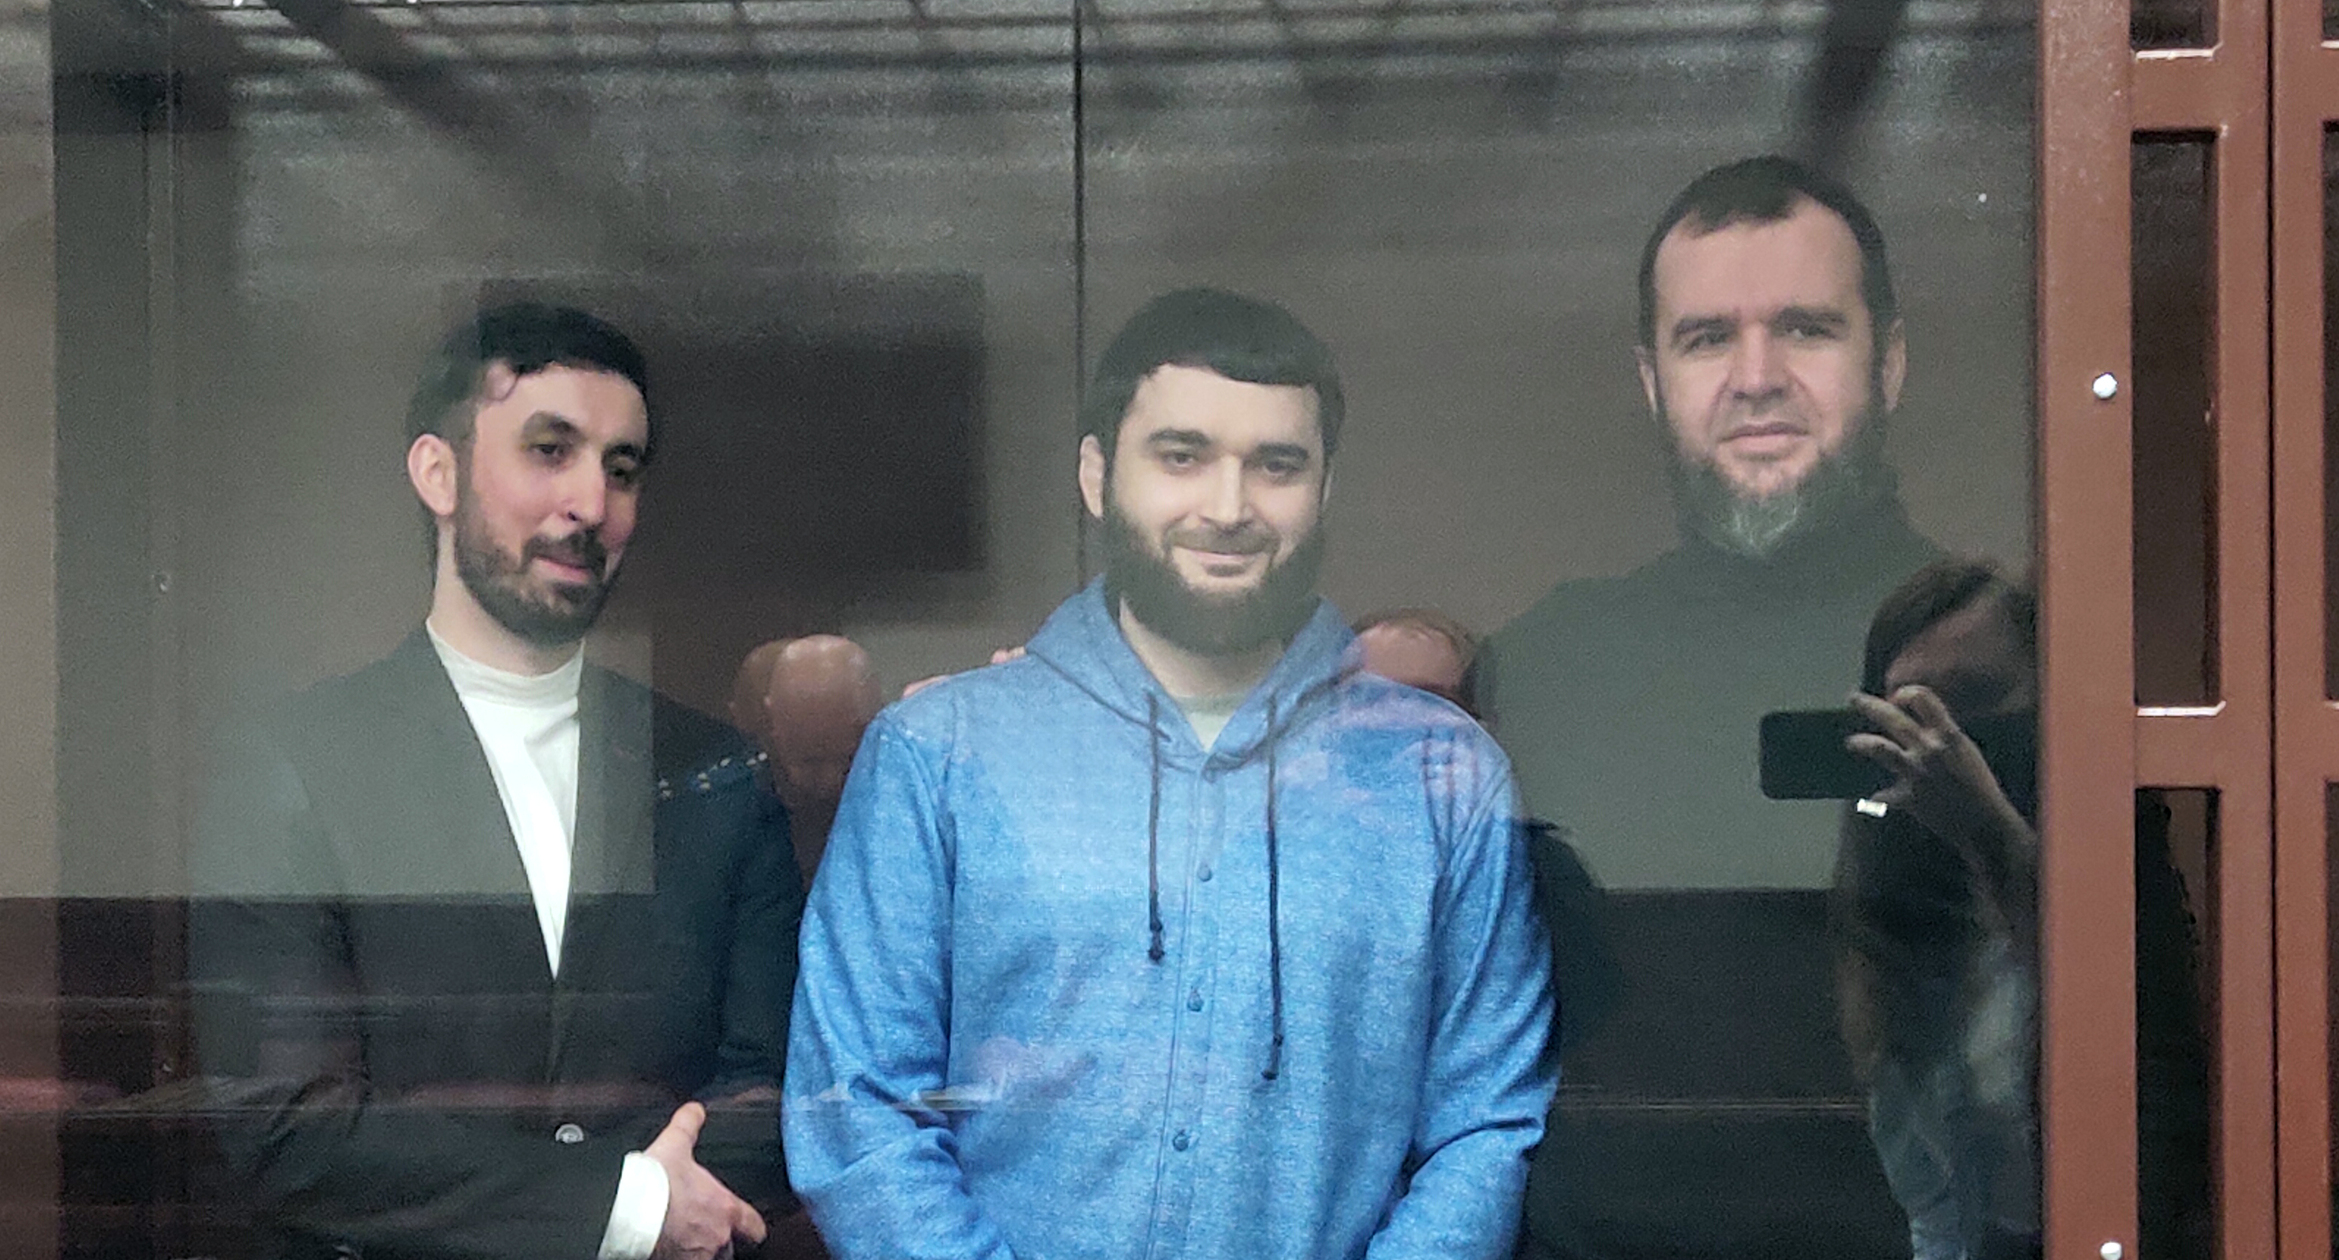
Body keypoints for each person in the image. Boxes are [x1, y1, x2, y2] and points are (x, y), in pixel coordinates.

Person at [785, 287, 1558, 1259]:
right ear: (1095, 473)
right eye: (1181, 455)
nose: (1227, 507)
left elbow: (1485, 1123)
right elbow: (860, 1105)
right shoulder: (936, 756)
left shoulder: (1440, 776)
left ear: (1324, 489)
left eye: (1275, 464)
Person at [188, 302, 800, 1260]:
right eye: (550, 451)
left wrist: (672, 1203)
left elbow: (776, 1091)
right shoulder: (296, 762)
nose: (591, 502)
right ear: (438, 473)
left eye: (621, 468)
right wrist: (626, 1208)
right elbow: (286, 1126)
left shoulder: (714, 771)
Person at [1487, 155, 1942, 1259]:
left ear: (1886, 363)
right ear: (1652, 382)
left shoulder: (2005, 661)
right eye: (1705, 338)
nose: (1755, 376)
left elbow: (2147, 1067)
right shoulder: (1546, 666)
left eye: (1804, 329)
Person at [1834, 560, 2211, 1260]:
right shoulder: (1891, 914)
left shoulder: (2112, 870)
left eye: (1973, 701)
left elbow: (2148, 1098)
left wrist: (1989, 833)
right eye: (1912, 714)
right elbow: (1926, 1201)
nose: (1939, 743)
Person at [1354, 608, 1620, 1052]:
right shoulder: (1269, 862)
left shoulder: (1536, 870)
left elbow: (1570, 1024)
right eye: (1371, 701)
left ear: (1477, 727)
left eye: (1430, 703)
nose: (1397, 723)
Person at [753, 634, 884, 884]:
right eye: (809, 762)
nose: (830, 783)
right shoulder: (734, 819)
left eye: (849, 760)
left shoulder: (915, 797)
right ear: (773, 723)